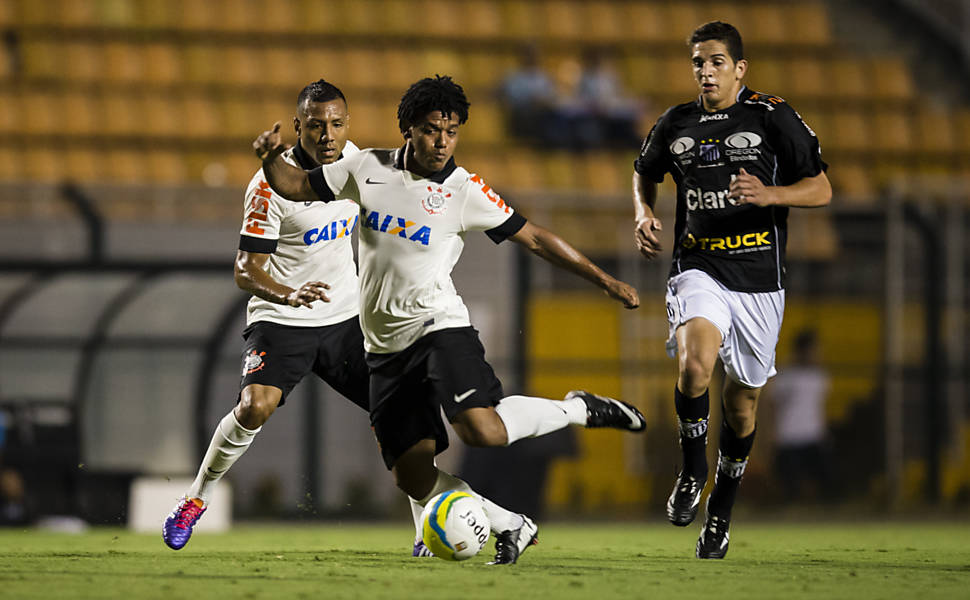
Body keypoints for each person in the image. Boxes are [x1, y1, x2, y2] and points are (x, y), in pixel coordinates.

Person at [254, 75, 646, 565]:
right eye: (432, 130)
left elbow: (538, 238)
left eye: (452, 131)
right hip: (383, 349)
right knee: (412, 476)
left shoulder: (465, 191)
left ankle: (575, 409)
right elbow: (291, 185)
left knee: (482, 430)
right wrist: (270, 158)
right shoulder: (365, 168)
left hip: (439, 327)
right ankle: (512, 524)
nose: (442, 141)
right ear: (408, 129)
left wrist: (604, 280)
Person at [162, 79, 431, 556]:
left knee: (397, 409)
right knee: (253, 408)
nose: (327, 135)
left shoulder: (358, 165)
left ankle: (423, 531)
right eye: (315, 126)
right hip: (282, 316)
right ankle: (194, 499)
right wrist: (289, 295)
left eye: (336, 124)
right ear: (297, 127)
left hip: (348, 316)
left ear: (347, 124)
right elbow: (247, 270)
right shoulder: (269, 185)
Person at [632, 22, 831, 559]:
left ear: (739, 68)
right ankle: (692, 473)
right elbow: (644, 170)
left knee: (742, 406)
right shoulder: (676, 122)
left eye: (717, 62)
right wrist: (644, 209)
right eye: (699, 62)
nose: (706, 71)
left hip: (761, 281)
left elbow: (821, 187)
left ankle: (720, 510)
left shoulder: (772, 116)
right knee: (695, 366)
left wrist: (770, 193)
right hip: (699, 266)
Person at [769, 329, 831, 502]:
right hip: (789, 435)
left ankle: (820, 512)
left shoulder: (820, 376)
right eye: (814, 349)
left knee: (823, 478)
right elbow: (773, 405)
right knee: (790, 483)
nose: (817, 354)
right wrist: (773, 433)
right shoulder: (787, 376)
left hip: (814, 434)